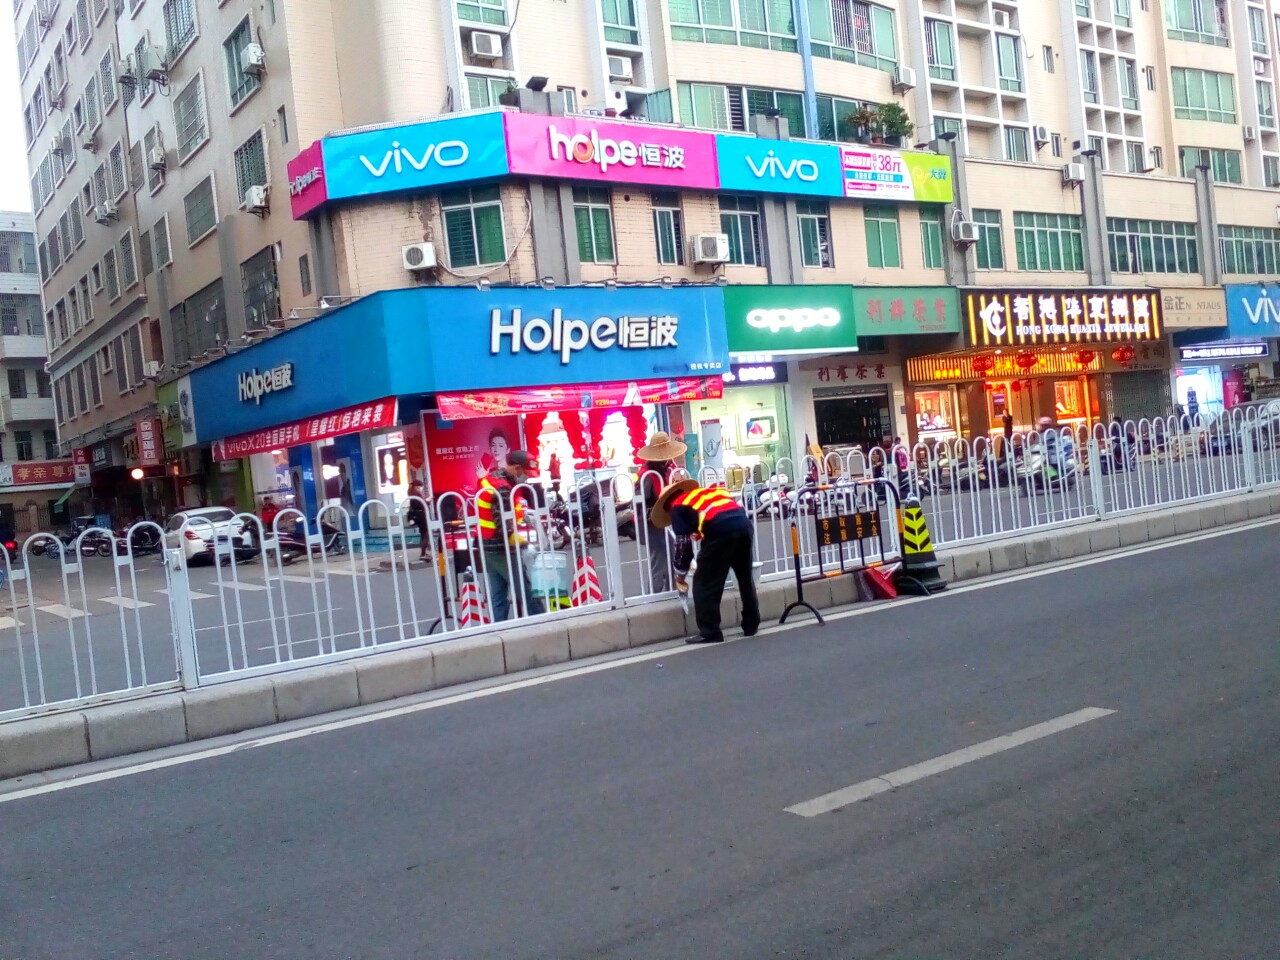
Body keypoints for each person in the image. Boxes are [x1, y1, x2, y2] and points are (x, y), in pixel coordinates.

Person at [651, 479, 760, 644]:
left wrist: (680, 572)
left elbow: (683, 546)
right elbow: (714, 515)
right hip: (744, 526)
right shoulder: (706, 494)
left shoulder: (677, 506)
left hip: (720, 531)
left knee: (704, 582)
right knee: (744, 576)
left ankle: (710, 632)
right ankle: (751, 624)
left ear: (667, 505)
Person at [476, 450, 545, 622]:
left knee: (498, 596)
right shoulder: (502, 488)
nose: (526, 478)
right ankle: (543, 622)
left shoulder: (491, 479)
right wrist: (524, 544)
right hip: (501, 548)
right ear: (516, 468)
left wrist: (522, 514)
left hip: (487, 546)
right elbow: (503, 526)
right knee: (526, 590)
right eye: (525, 473)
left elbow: (500, 514)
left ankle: (499, 629)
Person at [636, 431, 688, 593]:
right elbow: (640, 504)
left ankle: (670, 592)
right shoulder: (647, 475)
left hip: (664, 520)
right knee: (658, 563)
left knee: (672, 558)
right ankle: (654, 596)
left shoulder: (667, 468)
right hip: (651, 524)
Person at [405, 482, 430, 561]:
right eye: (420, 486)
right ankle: (423, 554)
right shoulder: (415, 495)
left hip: (419, 515)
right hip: (420, 516)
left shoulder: (413, 494)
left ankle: (424, 552)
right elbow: (419, 505)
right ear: (416, 487)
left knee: (424, 534)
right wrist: (427, 501)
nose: (421, 488)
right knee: (425, 534)